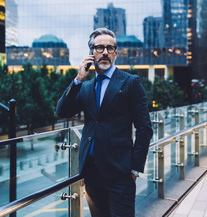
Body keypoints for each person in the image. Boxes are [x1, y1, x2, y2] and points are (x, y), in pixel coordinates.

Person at [56, 28, 153, 216]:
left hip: (120, 173)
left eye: (110, 48)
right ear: (92, 53)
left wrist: (135, 168)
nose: (105, 52)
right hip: (91, 172)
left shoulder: (130, 82)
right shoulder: (85, 87)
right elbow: (62, 111)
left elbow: (144, 128)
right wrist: (78, 79)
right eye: (99, 47)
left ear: (116, 53)